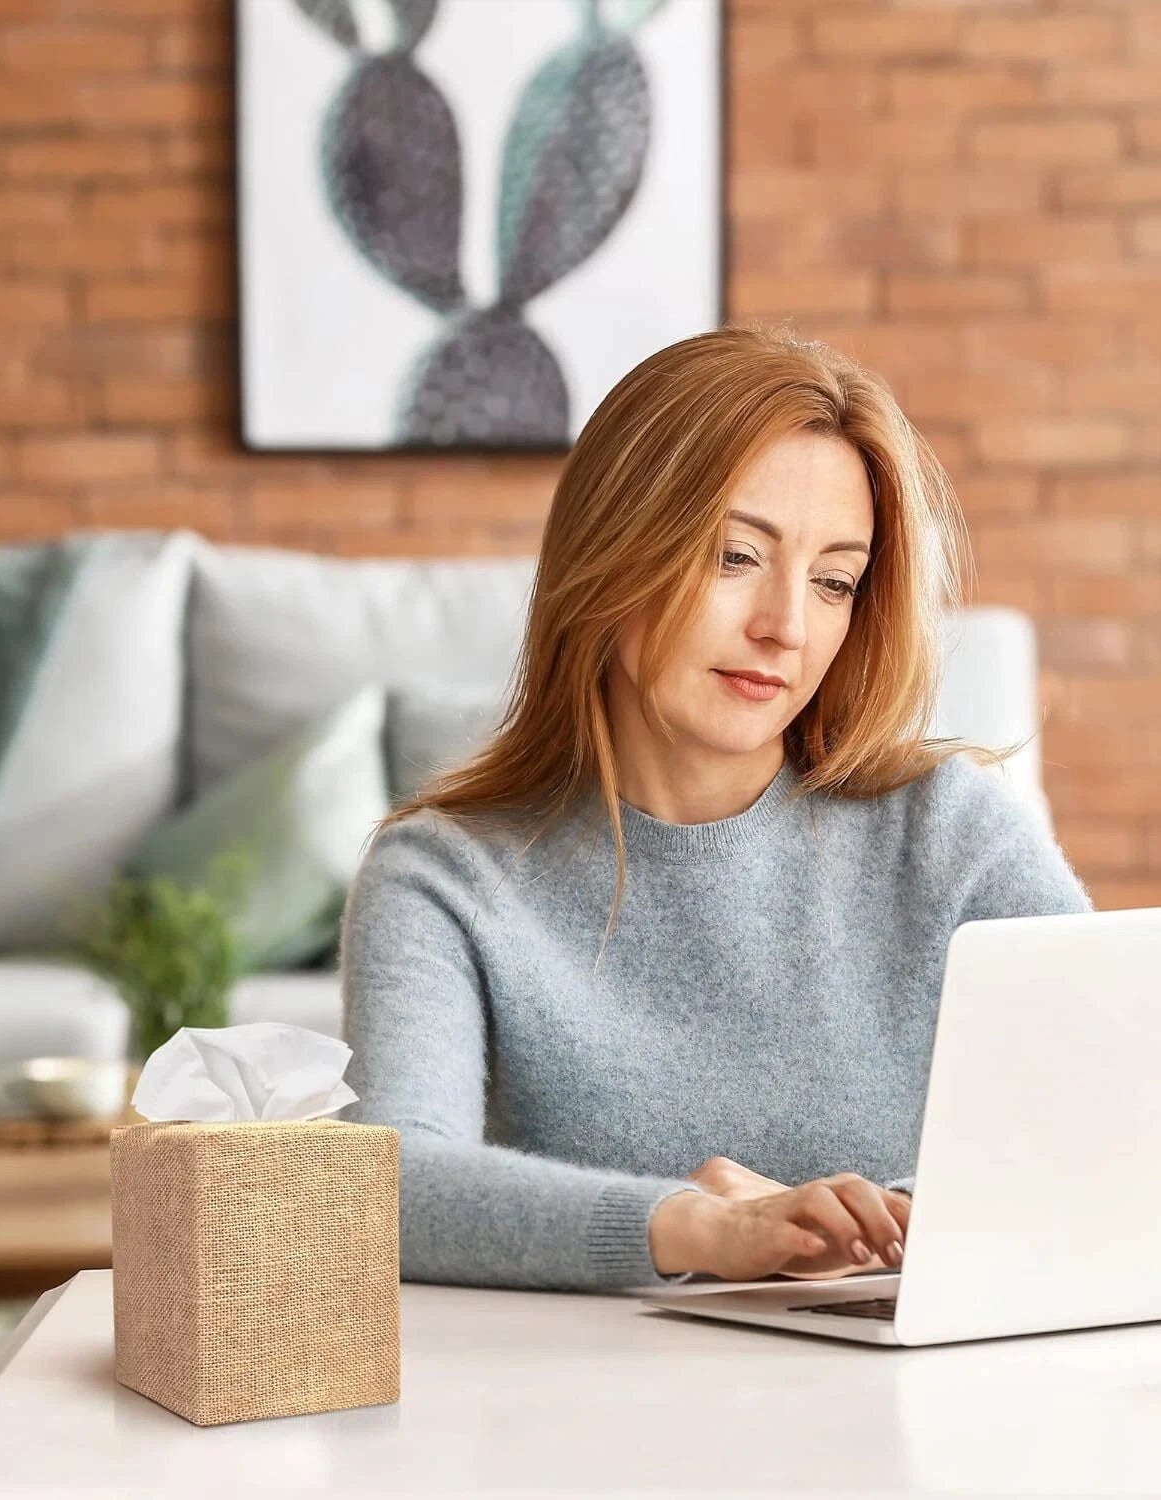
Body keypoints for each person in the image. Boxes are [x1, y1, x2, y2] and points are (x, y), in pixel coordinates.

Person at [337, 323, 1093, 1291]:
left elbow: (1121, 1124)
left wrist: (871, 1226)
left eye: (834, 582)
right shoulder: (443, 873)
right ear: (611, 552)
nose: (786, 626)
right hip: (586, 1411)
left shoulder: (950, 830)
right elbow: (389, 1192)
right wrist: (702, 1232)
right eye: (736, 557)